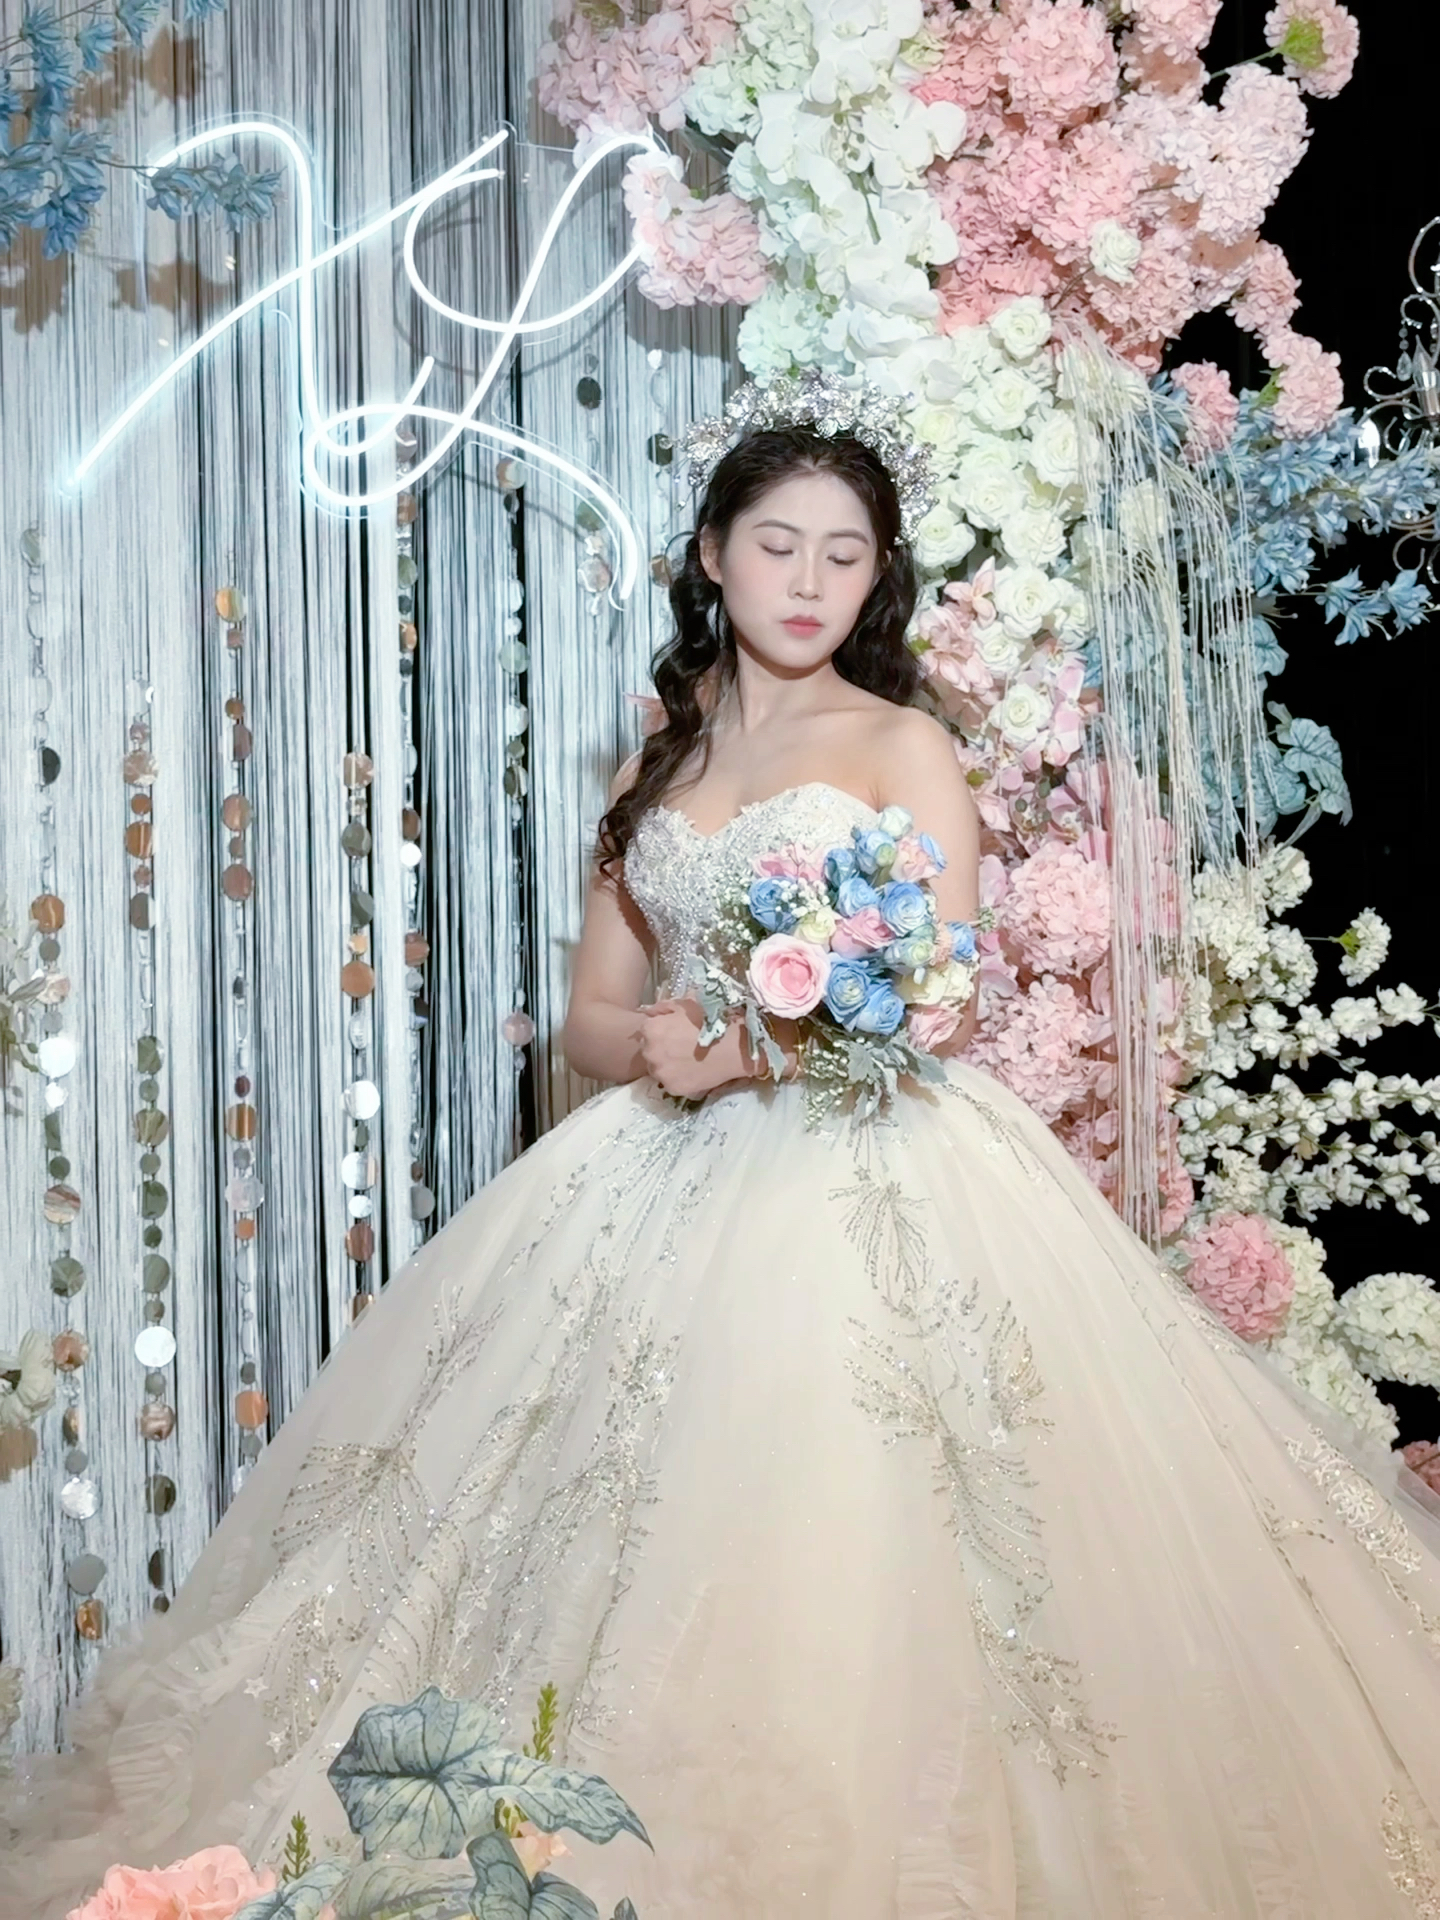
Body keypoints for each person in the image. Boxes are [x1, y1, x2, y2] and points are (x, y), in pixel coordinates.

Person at [3, 386, 1440, 1920]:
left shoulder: (902, 743)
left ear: (879, 576)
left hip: (875, 1165)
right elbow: (589, 1018)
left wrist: (754, 1046)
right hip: (658, 1170)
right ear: (711, 555)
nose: (810, 581)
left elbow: (943, 993)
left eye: (845, 554)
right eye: (777, 545)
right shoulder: (660, 769)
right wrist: (665, 1050)